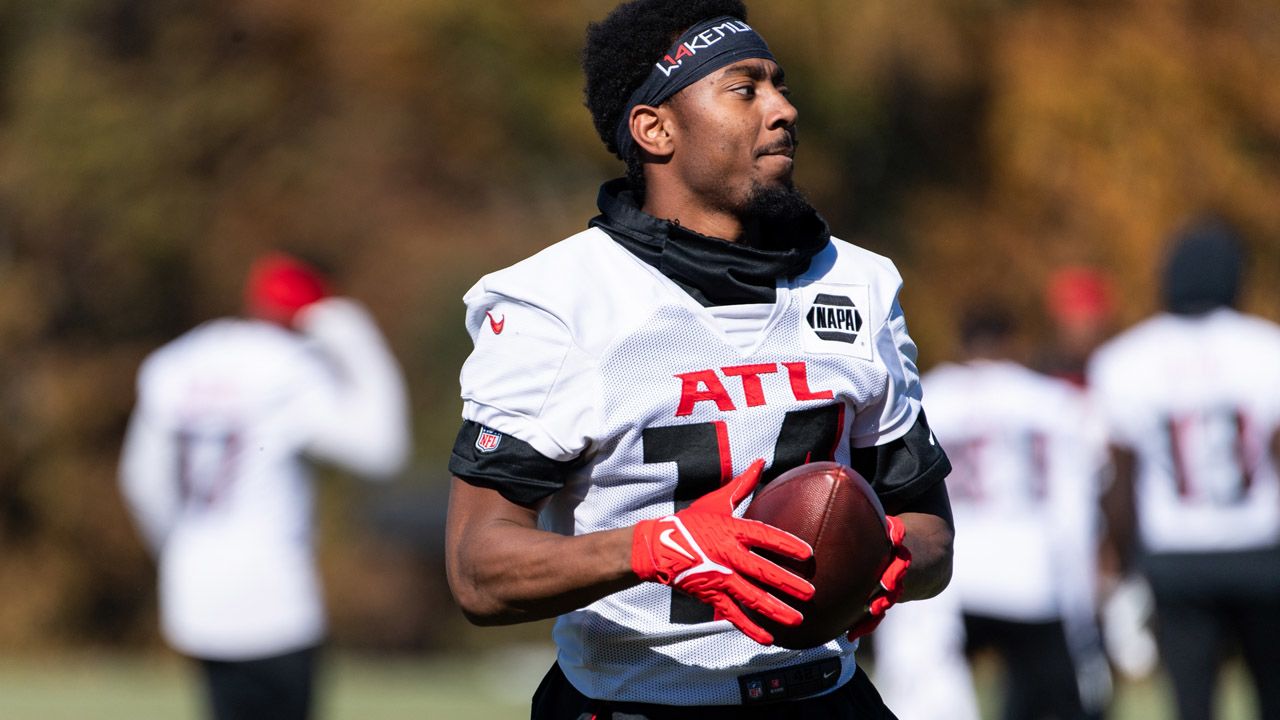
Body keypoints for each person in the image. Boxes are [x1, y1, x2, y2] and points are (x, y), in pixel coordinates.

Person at [444, 1, 955, 717]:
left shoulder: (857, 285)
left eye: (779, 84)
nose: (783, 108)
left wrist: (892, 555)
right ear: (655, 129)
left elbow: (931, 531)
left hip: (826, 697)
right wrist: (655, 548)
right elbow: (478, 571)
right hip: (632, 703)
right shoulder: (558, 302)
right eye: (744, 89)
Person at [119, 253, 411, 720]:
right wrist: (356, 339)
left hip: (195, 595)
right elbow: (383, 450)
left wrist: (177, 552)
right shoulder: (287, 366)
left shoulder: (175, 362)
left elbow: (142, 482)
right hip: (274, 597)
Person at [1088, 217, 1280, 720]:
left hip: (1177, 556)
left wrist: (1122, 562)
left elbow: (1122, 479)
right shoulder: (1266, 348)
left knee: (1192, 703)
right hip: (1261, 548)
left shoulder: (1125, 359)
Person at [884, 304, 1111, 720]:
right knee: (1050, 701)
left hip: (947, 574)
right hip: (1033, 572)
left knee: (928, 700)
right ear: (1011, 342)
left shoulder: (929, 395)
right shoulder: (1052, 399)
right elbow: (1082, 495)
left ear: (962, 342)